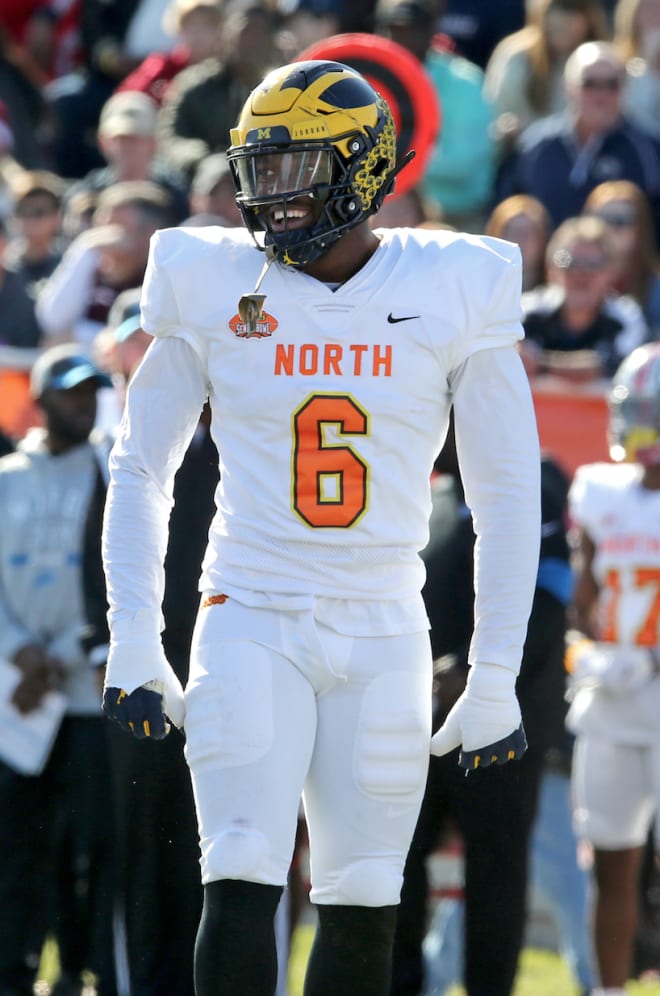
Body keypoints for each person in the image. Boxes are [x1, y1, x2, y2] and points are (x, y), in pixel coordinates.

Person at [100, 60, 541, 996]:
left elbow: (506, 491)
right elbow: (142, 465)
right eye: (260, 172)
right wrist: (135, 636)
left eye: (297, 169)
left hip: (385, 622)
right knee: (243, 873)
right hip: (251, 606)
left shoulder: (454, 281)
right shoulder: (216, 277)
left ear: (366, 168)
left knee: (364, 901)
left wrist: (498, 668)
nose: (274, 197)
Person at [391, 444, 573, 996]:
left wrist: (477, 673)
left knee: (495, 870)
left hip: (502, 724)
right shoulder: (428, 490)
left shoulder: (529, 478)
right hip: (418, 721)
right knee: (397, 863)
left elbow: (549, 594)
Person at [0, 343, 117, 996]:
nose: (83, 403)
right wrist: (19, 652)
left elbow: (112, 583)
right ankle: (13, 971)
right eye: (70, 391)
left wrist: (63, 656)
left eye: (92, 391)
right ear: (40, 399)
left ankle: (81, 970)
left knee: (91, 849)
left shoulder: (108, 471)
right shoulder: (7, 477)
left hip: (81, 697)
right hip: (14, 697)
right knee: (16, 848)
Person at [564, 341, 660, 996]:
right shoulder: (600, 491)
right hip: (614, 698)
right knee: (611, 859)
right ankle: (609, 991)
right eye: (645, 411)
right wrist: (588, 654)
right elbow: (579, 605)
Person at [496, 40, 660, 243]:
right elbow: (507, 214)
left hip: (623, 273)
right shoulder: (534, 146)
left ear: (625, 88)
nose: (601, 95)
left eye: (611, 84)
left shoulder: (649, 152)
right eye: (589, 84)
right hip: (545, 271)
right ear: (569, 87)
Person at [375, 0, 499, 232]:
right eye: (394, 29)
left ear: (431, 32)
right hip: (387, 214)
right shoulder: (370, 77)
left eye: (413, 29)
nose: (402, 38)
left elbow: (461, 163)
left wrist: (389, 158)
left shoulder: (465, 81)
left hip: (457, 217)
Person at [520, 214, 648, 383]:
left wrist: (541, 365)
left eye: (593, 264)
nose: (580, 274)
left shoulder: (626, 319)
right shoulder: (526, 313)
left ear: (612, 273)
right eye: (569, 262)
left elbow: (621, 366)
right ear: (551, 269)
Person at [582, 179, 660, 336]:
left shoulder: (656, 286)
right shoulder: (568, 275)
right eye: (601, 219)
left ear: (640, 229)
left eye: (620, 221)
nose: (609, 229)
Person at [485, 194, 552, 291]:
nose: (519, 240)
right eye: (511, 232)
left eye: (528, 233)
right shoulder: (478, 290)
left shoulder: (558, 295)